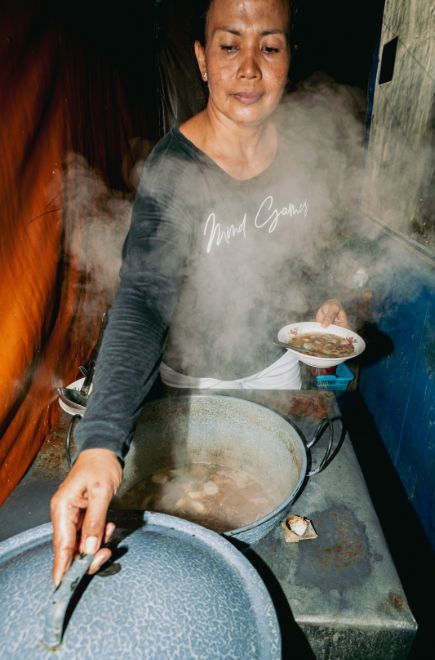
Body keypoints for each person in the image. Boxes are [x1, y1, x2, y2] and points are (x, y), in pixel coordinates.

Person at [50, 0, 350, 586]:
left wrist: (329, 298)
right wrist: (101, 441)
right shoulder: (173, 167)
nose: (248, 68)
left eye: (270, 46)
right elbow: (142, 299)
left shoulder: (308, 157)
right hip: (189, 392)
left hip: (280, 375)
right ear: (201, 60)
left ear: (290, 58)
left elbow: (317, 252)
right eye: (229, 45)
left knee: (278, 533)